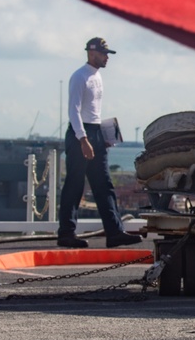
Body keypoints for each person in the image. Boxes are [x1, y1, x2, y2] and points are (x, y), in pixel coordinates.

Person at [57, 38, 142, 249]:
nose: (107, 58)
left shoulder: (98, 76)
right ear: (91, 53)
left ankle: (115, 232)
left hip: (95, 132)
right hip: (81, 134)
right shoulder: (79, 77)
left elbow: (93, 111)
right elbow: (73, 111)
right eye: (104, 54)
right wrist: (83, 139)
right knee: (74, 185)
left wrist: (103, 136)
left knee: (104, 185)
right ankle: (66, 233)